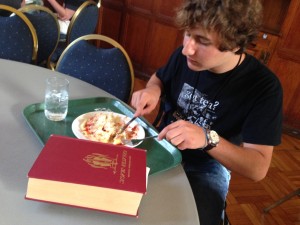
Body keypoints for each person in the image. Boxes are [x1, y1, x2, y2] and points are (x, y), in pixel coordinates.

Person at [130, 0, 283, 224]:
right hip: (161, 144)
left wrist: (206, 139)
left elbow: (258, 168)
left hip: (209, 165)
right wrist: (153, 90)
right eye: (187, 34)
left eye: (202, 41)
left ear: (234, 43)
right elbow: (159, 78)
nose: (186, 48)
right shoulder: (186, 56)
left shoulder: (264, 87)